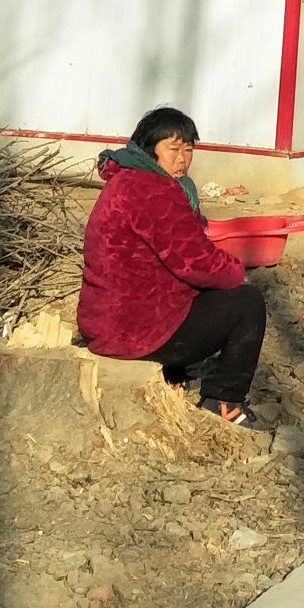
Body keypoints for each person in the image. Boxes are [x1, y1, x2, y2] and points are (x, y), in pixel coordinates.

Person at [76, 107, 269, 426]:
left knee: (204, 294)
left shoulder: (130, 180)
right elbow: (195, 262)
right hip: (133, 330)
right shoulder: (152, 190)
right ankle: (224, 399)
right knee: (247, 303)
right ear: (151, 150)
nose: (182, 158)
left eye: (188, 149)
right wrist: (235, 271)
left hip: (110, 321)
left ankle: (176, 374)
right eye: (173, 149)